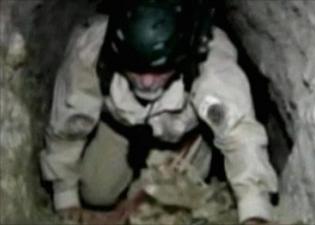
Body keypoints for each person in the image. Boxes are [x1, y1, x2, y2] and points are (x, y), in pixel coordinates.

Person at [39, 0, 278, 224]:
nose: (146, 82)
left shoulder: (210, 63)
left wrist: (254, 210)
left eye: (159, 70)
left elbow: (240, 135)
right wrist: (65, 197)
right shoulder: (92, 51)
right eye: (135, 69)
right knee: (96, 193)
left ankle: (144, 191)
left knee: (162, 210)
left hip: (183, 137)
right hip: (121, 127)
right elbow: (68, 125)